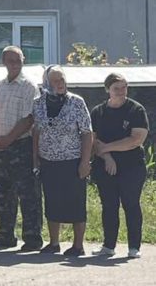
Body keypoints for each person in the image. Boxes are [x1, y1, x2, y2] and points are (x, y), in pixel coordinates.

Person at [32, 66, 92, 257]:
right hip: (48, 161)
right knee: (52, 201)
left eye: (62, 80)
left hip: (72, 161)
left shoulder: (76, 102)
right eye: (55, 81)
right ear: (47, 83)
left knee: (76, 203)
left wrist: (85, 162)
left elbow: (87, 133)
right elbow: (36, 132)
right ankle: (54, 243)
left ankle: (78, 245)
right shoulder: (38, 103)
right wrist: (35, 159)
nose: (60, 84)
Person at [0, 46, 42, 251]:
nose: (15, 63)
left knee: (27, 194)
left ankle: (32, 237)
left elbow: (29, 118)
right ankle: (6, 234)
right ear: (3, 62)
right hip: (1, 147)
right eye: (10, 60)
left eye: (18, 59)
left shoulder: (29, 86)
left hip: (21, 145)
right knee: (3, 193)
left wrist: (9, 138)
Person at [90, 73, 149, 259]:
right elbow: (93, 140)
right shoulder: (98, 112)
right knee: (109, 205)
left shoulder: (135, 110)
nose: (121, 92)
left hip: (132, 167)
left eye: (124, 87)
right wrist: (107, 157)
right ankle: (108, 246)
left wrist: (107, 147)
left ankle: (134, 247)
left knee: (131, 204)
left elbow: (136, 139)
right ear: (108, 89)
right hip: (105, 166)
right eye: (117, 88)